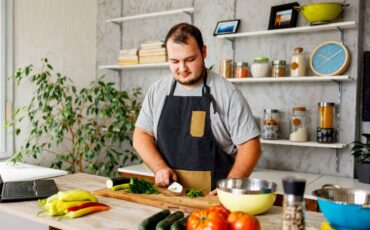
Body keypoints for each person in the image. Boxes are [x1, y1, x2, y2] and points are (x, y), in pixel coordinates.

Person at [133, 23, 261, 194]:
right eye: (174, 61)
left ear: (204, 52)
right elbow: (141, 135)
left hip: (215, 200)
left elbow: (250, 146)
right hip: (170, 195)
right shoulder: (158, 91)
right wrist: (159, 167)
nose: (182, 68)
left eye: (190, 60)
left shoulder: (227, 93)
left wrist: (230, 186)